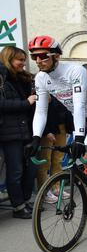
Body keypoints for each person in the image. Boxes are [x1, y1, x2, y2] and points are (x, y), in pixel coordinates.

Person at [26, 35, 87, 216]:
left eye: (43, 56)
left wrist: (79, 138)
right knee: (79, 158)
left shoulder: (75, 71)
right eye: (34, 57)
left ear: (56, 56)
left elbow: (78, 104)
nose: (38, 61)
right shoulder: (41, 78)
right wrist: (35, 138)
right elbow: (41, 111)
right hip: (78, 118)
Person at [0, 46, 37, 219]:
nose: (23, 63)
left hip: (26, 130)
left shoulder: (24, 78)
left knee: (30, 168)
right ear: (9, 59)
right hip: (9, 133)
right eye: (19, 60)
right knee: (15, 171)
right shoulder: (2, 78)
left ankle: (25, 200)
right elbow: (2, 105)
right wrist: (26, 103)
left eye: (24, 59)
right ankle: (18, 206)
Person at [37, 97, 74, 203]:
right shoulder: (42, 84)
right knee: (45, 161)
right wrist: (46, 131)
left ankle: (57, 188)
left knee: (58, 159)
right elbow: (39, 111)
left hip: (61, 124)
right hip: (48, 126)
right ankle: (44, 191)